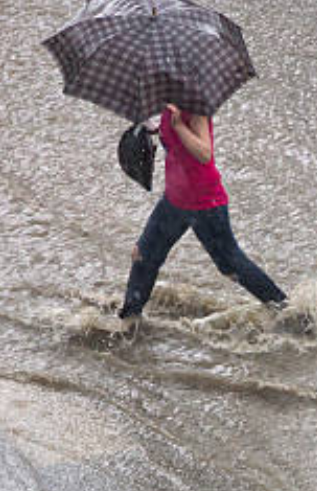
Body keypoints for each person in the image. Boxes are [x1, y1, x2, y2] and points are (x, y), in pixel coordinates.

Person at [114, 103, 287, 339]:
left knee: (229, 264)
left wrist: (179, 127)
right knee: (143, 255)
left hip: (204, 201)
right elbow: (171, 139)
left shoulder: (194, 104)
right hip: (175, 199)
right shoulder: (169, 103)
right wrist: (151, 129)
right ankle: (130, 322)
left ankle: (285, 311)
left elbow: (204, 152)